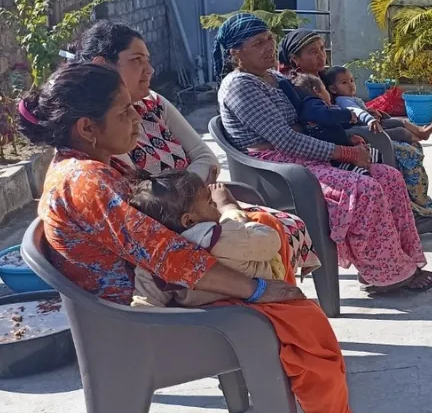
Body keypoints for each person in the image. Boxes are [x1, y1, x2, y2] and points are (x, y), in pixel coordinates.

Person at [23, 63, 404, 413]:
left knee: (270, 243)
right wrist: (257, 289)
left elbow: (163, 234)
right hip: (139, 322)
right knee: (301, 316)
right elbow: (172, 257)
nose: (137, 117)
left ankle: (301, 386)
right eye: (123, 112)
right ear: (86, 128)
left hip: (156, 293)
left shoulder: (97, 164)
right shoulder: (86, 181)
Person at [70, 20, 323, 275]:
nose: (150, 70)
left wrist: (188, 192)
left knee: (276, 227)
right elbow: (149, 200)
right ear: (103, 66)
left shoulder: (152, 103)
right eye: (137, 60)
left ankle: (277, 302)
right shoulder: (101, 129)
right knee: (260, 240)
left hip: (201, 210)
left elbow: (207, 158)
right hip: (174, 230)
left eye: (148, 59)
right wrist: (201, 193)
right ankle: (272, 305)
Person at [217, 14, 432, 293]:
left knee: (389, 177)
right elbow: (285, 140)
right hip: (275, 170)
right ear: (236, 52)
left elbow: (311, 118)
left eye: (270, 39)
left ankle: (399, 264)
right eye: (258, 43)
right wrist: (345, 153)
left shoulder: (274, 77)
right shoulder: (240, 85)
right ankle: (386, 274)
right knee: (364, 188)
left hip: (303, 156)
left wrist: (346, 138)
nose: (269, 47)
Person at [278, 29, 432, 235]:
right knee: (404, 151)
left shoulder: (323, 76)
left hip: (352, 132)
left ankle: (415, 211)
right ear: (294, 58)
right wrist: (352, 121)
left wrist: (367, 112)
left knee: (410, 145)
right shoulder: (298, 85)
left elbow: (343, 102)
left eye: (321, 49)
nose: (321, 55)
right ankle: (414, 214)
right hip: (336, 144)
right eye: (312, 51)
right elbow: (319, 118)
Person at [131, 172, 287, 307]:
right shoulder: (224, 237)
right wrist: (230, 210)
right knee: (266, 220)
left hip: (208, 319)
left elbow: (146, 303)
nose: (215, 205)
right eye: (211, 203)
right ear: (189, 221)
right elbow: (271, 241)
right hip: (261, 301)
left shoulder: (153, 261)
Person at [323, 66, 432, 143]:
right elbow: (356, 111)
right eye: (344, 82)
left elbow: (363, 110)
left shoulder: (350, 98)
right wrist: (370, 119)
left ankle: (421, 132)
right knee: (400, 131)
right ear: (333, 89)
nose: (351, 85)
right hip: (367, 129)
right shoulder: (343, 100)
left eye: (352, 80)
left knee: (401, 121)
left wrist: (374, 114)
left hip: (373, 124)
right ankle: (418, 137)